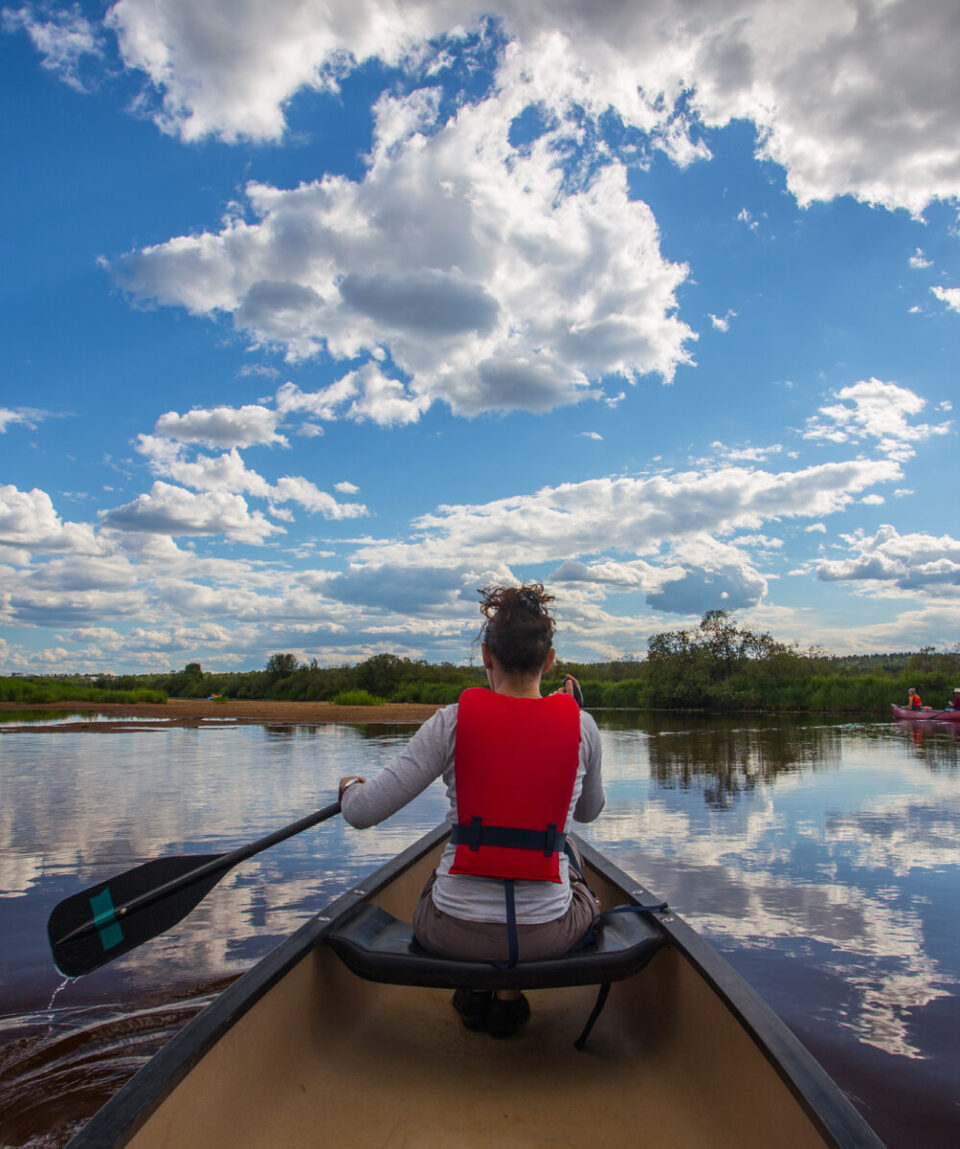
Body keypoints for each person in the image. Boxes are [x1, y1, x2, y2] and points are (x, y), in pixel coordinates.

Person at [338, 583, 605, 1038]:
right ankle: (506, 998)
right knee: (571, 857)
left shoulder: (450, 721)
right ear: (550, 660)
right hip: (548, 934)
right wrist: (580, 737)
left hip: (451, 931)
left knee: (447, 856)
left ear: (486, 656)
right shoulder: (582, 726)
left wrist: (349, 788)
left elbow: (361, 813)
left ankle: (478, 991)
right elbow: (588, 814)